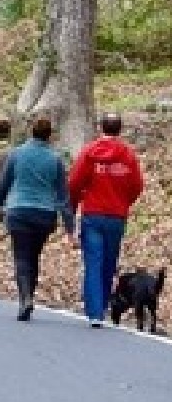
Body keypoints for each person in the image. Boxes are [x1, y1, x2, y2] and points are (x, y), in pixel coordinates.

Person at [0, 116, 75, 321]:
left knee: (21, 257)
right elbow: (63, 198)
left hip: (18, 211)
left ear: (31, 132)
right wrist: (71, 227)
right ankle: (29, 295)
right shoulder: (55, 160)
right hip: (44, 215)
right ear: (49, 136)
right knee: (34, 256)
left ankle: (25, 298)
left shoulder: (16, 155)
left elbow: (3, 186)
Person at [68, 111, 144, 328]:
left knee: (93, 262)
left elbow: (74, 182)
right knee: (109, 262)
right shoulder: (128, 155)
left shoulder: (90, 152)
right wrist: (123, 203)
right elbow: (136, 186)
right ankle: (100, 306)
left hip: (92, 214)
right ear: (119, 129)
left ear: (101, 128)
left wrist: (74, 207)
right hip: (115, 217)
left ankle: (95, 312)